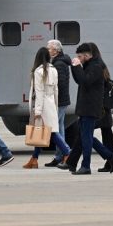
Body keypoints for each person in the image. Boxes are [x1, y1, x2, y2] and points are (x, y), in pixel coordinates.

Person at [62, 42, 113, 173]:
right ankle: (110, 156)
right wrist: (74, 66)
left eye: (80, 56)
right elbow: (79, 80)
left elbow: (85, 81)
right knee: (85, 136)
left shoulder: (96, 67)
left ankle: (86, 165)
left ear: (87, 55)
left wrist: (77, 66)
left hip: (91, 107)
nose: (79, 58)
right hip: (85, 107)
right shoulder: (89, 65)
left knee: (87, 138)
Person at [23, 47, 71, 169]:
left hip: (42, 104)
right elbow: (56, 90)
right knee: (41, 133)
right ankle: (34, 159)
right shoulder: (53, 70)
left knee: (50, 133)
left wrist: (37, 110)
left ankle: (67, 153)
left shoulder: (38, 72)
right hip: (51, 103)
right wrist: (55, 105)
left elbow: (39, 92)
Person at [45, 39, 71, 167]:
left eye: (49, 48)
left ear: (56, 50)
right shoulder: (59, 62)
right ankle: (60, 155)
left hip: (59, 100)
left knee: (54, 128)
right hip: (61, 100)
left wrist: (53, 100)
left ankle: (65, 153)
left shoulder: (59, 64)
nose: (47, 50)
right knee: (59, 128)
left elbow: (59, 84)